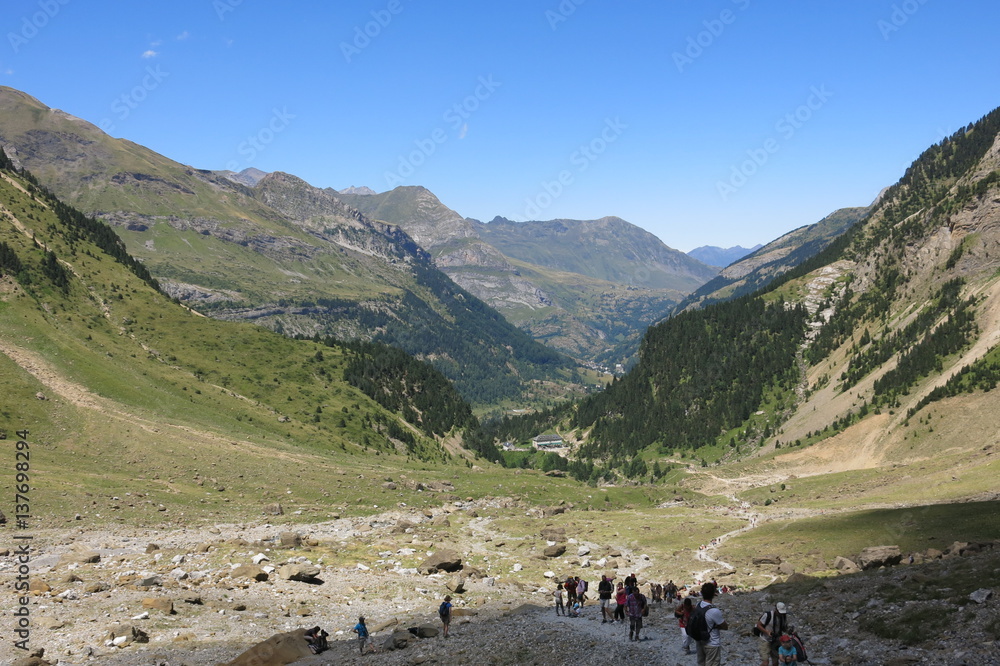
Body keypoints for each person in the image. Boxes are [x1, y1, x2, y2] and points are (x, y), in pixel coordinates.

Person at [694, 582, 728, 666]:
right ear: (713, 594)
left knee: (701, 663)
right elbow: (725, 626)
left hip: (699, 640)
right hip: (712, 643)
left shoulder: (698, 605)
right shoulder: (714, 611)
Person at [755, 601, 789, 666]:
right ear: (776, 609)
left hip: (776, 641)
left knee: (775, 662)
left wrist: (789, 631)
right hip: (765, 640)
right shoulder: (768, 615)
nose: (781, 614)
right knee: (765, 662)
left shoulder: (783, 617)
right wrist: (767, 632)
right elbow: (758, 625)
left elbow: (784, 628)